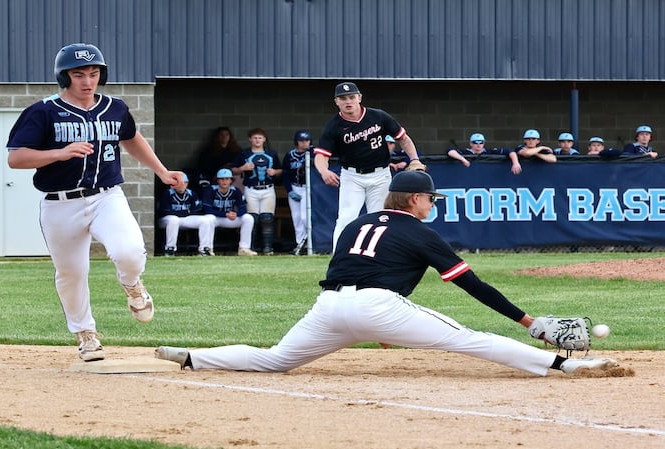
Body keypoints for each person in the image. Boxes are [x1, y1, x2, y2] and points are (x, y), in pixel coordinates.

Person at [155, 171, 618, 376]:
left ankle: (195, 357)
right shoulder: (421, 232)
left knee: (276, 359)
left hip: (330, 308)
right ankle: (569, 364)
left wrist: (380, 324)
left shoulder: (358, 223)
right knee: (468, 339)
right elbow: (472, 285)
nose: (432, 204)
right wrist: (529, 321)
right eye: (430, 199)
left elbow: (352, 266)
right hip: (378, 307)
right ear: (415, 200)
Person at [6, 43, 181, 362]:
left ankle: (133, 286)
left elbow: (131, 137)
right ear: (64, 77)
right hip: (60, 203)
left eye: (94, 73)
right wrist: (59, 153)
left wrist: (162, 171)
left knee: (128, 251)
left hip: (106, 196)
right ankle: (86, 334)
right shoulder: (43, 111)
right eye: (78, 74)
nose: (87, 81)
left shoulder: (114, 107)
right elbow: (16, 158)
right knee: (71, 272)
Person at [314, 82, 424, 251]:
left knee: (382, 218)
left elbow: (403, 138)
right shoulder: (334, 126)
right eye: (343, 98)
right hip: (352, 176)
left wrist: (414, 159)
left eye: (351, 97)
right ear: (336, 101)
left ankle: (379, 257)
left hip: (380, 174)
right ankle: (339, 260)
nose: (348, 101)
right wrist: (323, 170)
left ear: (359, 98)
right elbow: (321, 154)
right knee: (346, 218)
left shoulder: (378, 116)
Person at [232, 128, 282, 255]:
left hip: (268, 188)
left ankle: (267, 248)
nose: (257, 140)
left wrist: (274, 172)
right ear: (250, 139)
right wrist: (243, 168)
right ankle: (251, 247)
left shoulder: (271, 153)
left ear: (264, 139)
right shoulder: (245, 154)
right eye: (254, 138)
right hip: (251, 189)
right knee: (252, 218)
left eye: (260, 138)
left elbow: (281, 169)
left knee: (267, 218)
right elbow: (233, 170)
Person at [156, 173, 216, 257]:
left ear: (187, 184)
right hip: (167, 219)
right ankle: (170, 249)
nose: (182, 185)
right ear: (173, 184)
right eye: (179, 183)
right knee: (174, 219)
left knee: (205, 220)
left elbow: (196, 210)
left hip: (183, 219)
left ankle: (204, 249)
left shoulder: (191, 193)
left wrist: (186, 213)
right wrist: (186, 212)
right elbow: (165, 211)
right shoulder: (167, 193)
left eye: (184, 183)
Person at [203, 169, 257, 256]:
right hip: (217, 218)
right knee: (208, 218)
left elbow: (243, 208)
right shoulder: (211, 190)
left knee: (248, 218)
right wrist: (225, 214)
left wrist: (236, 214)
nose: (224, 181)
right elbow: (207, 209)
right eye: (222, 179)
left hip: (230, 218)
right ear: (217, 180)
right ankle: (208, 249)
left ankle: (244, 248)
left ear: (231, 180)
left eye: (227, 179)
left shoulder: (235, 190)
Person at [282, 130, 312, 256]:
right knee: (297, 218)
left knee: (306, 218)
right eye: (301, 141)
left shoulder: (313, 154)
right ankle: (300, 244)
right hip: (295, 187)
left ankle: (309, 242)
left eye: (306, 140)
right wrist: (289, 191)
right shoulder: (290, 155)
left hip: (308, 188)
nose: (304, 143)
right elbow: (285, 174)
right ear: (297, 142)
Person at [446, 133, 522, 175]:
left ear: (484, 143)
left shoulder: (489, 151)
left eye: (481, 142)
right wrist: (462, 159)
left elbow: (510, 151)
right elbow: (449, 151)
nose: (478, 145)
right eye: (475, 142)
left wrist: (515, 163)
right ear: (471, 143)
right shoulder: (465, 152)